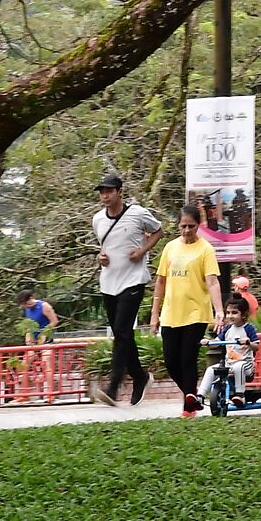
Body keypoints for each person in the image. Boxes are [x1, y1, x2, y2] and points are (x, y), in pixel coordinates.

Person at [91, 169, 162, 406]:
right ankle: (140, 377)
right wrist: (100, 257)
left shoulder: (138, 213)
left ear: (120, 192)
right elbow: (103, 247)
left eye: (109, 191)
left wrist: (142, 251)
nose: (105, 196)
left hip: (133, 279)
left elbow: (158, 231)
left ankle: (113, 387)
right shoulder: (98, 219)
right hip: (108, 282)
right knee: (123, 334)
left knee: (121, 330)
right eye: (102, 192)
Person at [148, 206, 223, 415]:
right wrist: (155, 313)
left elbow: (212, 281)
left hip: (196, 312)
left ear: (198, 225)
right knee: (171, 361)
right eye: (183, 226)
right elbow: (160, 281)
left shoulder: (205, 249)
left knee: (187, 358)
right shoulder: (170, 248)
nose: (187, 230)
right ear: (178, 226)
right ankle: (193, 396)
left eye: (191, 226)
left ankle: (188, 407)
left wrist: (219, 311)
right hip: (171, 313)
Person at [197, 298, 255, 408]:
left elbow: (256, 346)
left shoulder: (248, 328)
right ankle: (200, 396)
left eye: (234, 313)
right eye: (228, 313)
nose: (230, 316)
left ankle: (240, 395)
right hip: (229, 364)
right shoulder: (227, 329)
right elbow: (217, 342)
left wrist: (248, 343)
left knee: (239, 366)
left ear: (243, 315)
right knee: (211, 370)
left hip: (246, 366)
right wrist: (208, 342)